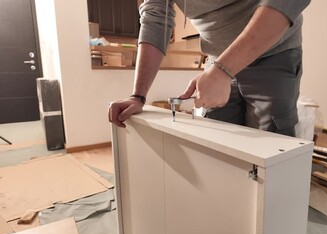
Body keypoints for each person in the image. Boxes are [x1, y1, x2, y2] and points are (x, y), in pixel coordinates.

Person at [109, 0, 311, 137]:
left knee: (270, 144)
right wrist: (138, 96)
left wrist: (223, 70)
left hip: (273, 53)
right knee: (216, 140)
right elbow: (155, 18)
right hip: (216, 60)